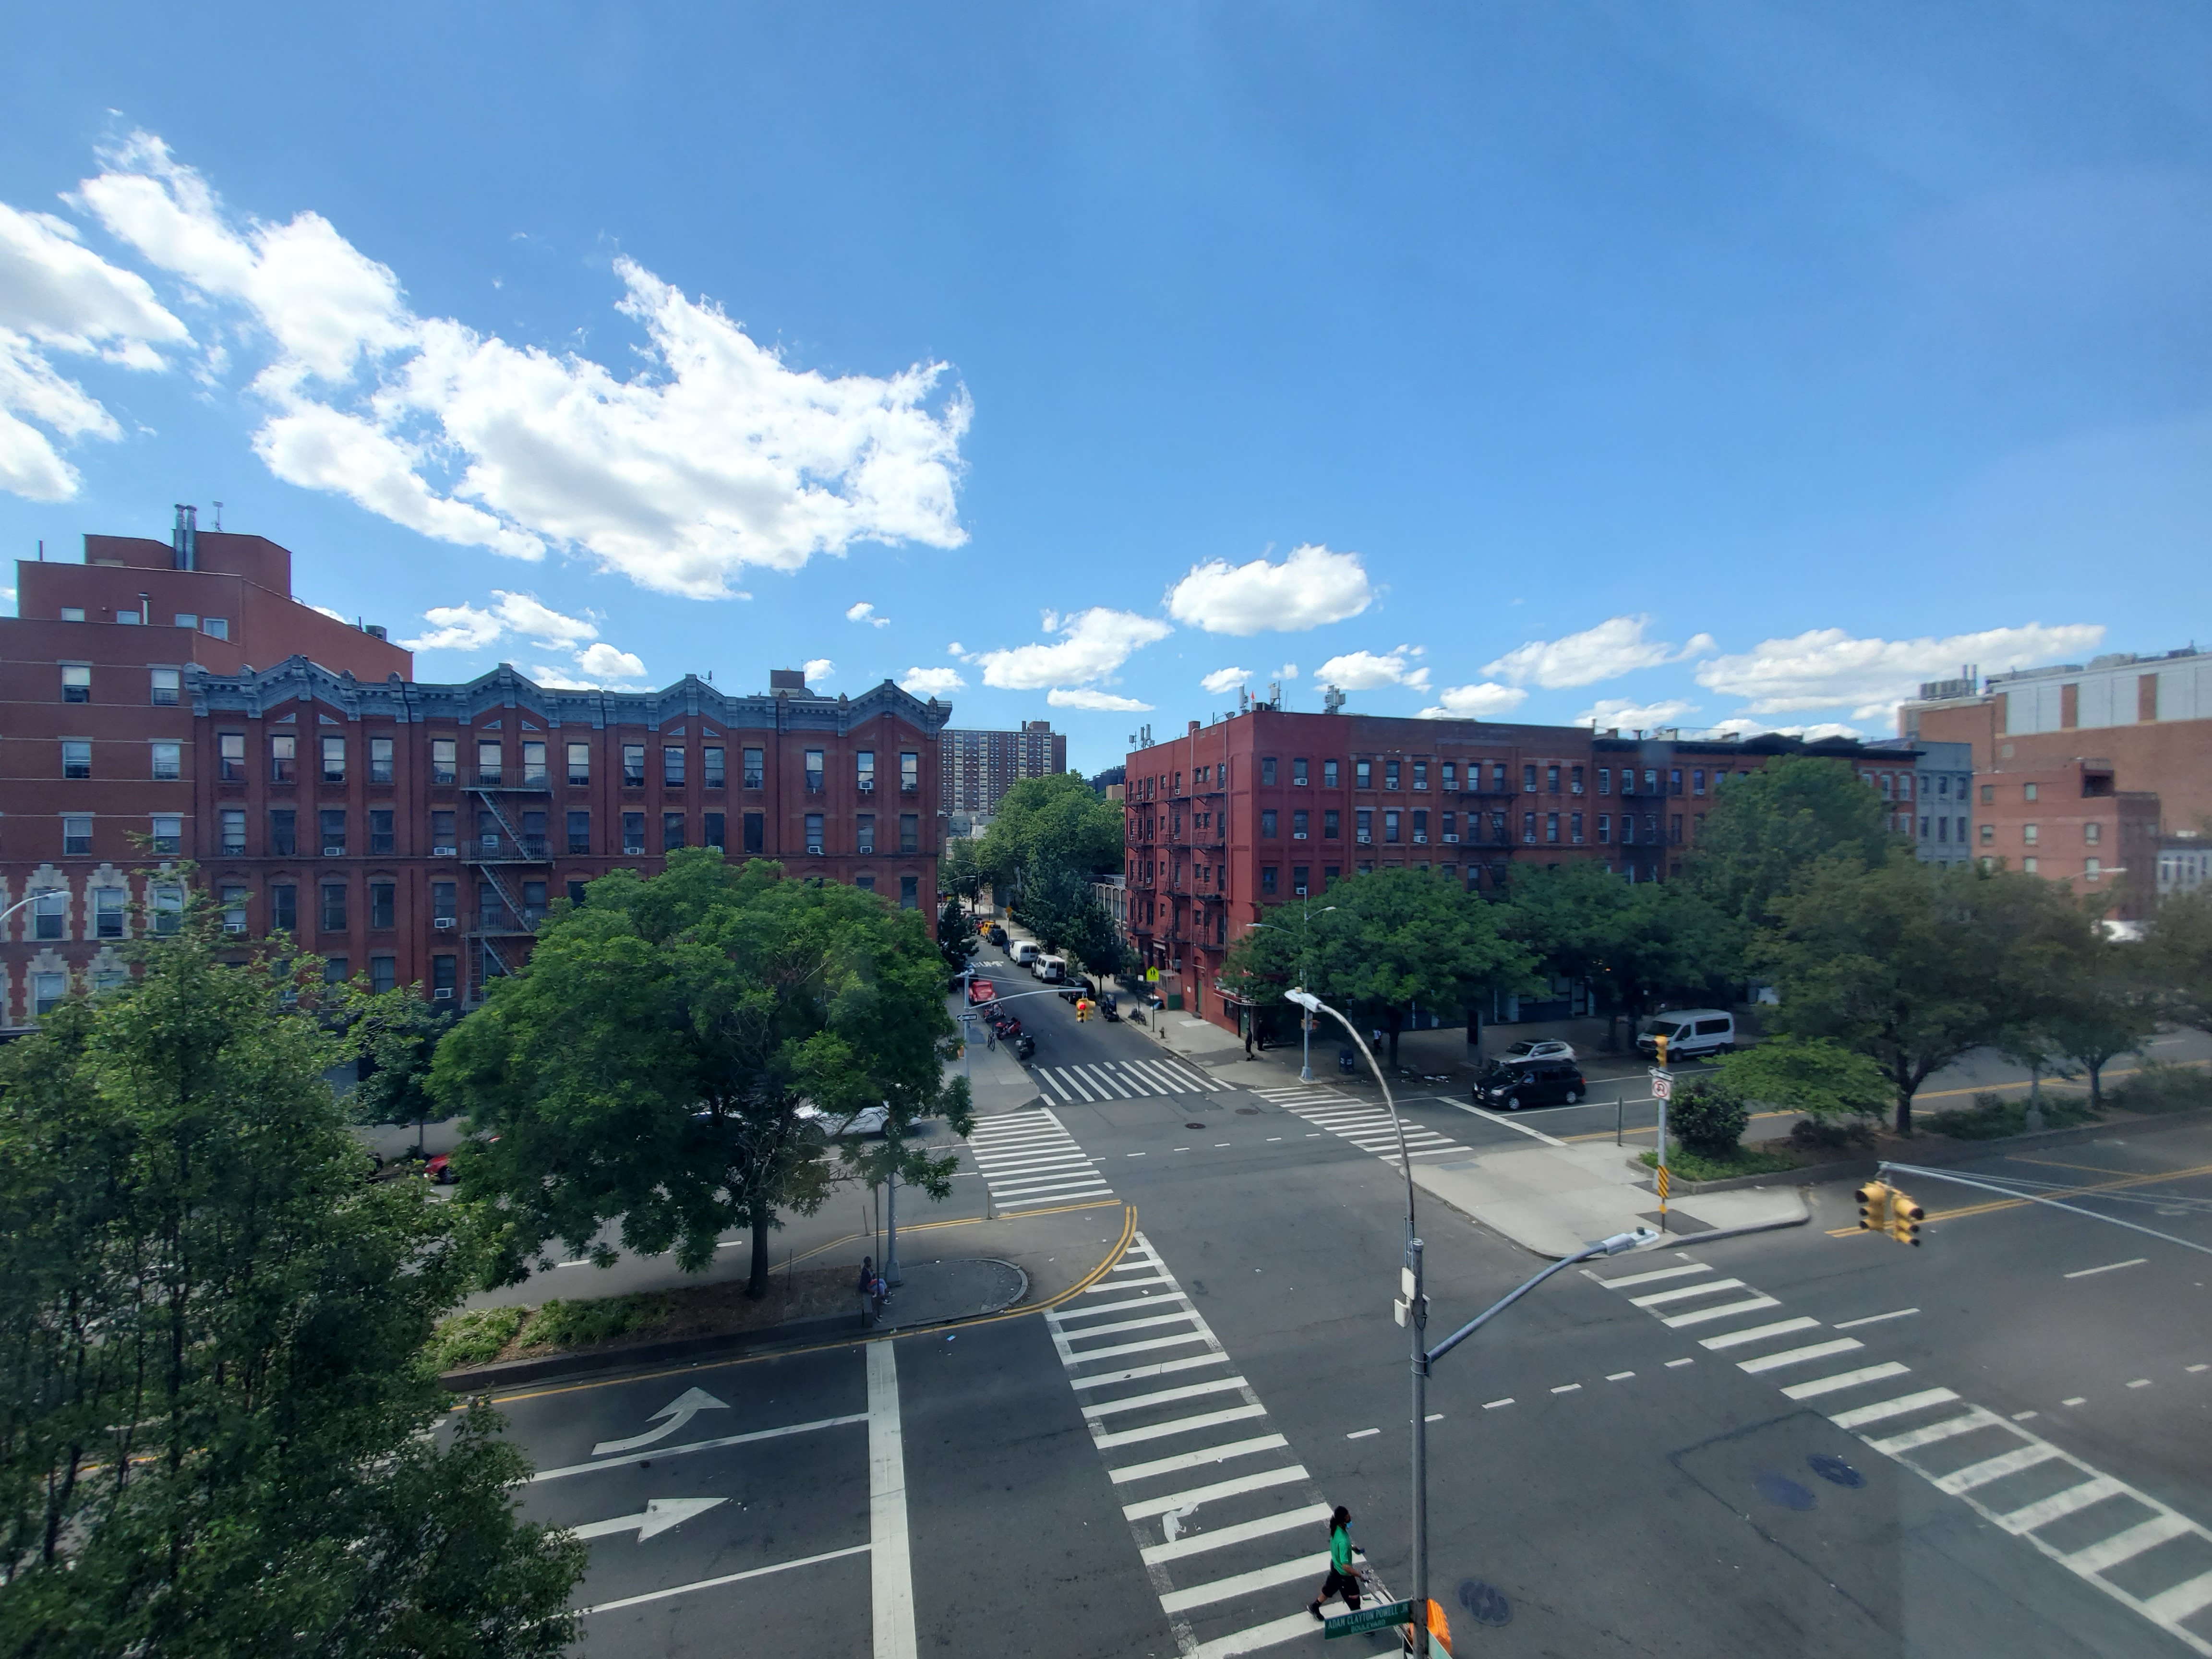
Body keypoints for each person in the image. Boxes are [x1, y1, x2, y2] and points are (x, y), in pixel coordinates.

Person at [1308, 1505, 1362, 1620]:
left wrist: (1352, 1547)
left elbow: (1339, 1546)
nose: (1350, 1517)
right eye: (1348, 1516)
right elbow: (1346, 1566)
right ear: (1343, 1520)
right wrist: (1360, 1575)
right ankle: (1359, 1622)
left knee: (1329, 1589)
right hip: (1344, 1575)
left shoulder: (1335, 1528)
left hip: (1335, 1566)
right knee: (1354, 1598)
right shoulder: (1343, 1541)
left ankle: (1314, 1607)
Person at [855, 1256, 876, 1329]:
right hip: (867, 1288)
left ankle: (887, 1292)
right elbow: (866, 1285)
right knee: (881, 1287)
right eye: (869, 1263)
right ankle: (883, 1299)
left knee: (881, 1282)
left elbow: (870, 1278)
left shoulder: (869, 1269)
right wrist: (873, 1292)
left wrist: (873, 1276)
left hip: (870, 1283)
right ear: (867, 1263)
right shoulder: (865, 1272)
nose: (870, 1264)